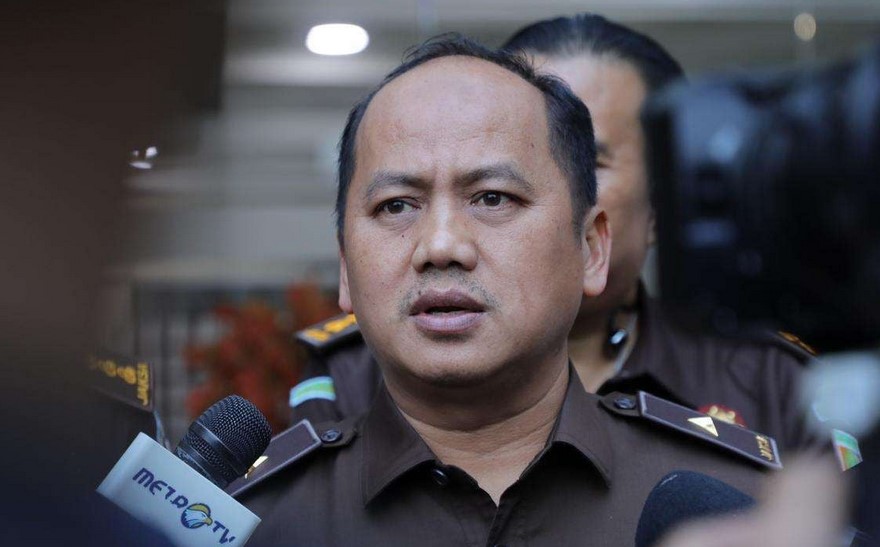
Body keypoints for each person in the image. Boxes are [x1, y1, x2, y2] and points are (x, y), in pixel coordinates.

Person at [233, 35, 780, 546]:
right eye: (396, 205)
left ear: (591, 248)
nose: (441, 246)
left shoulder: (741, 511)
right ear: (345, 268)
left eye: (493, 198)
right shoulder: (251, 523)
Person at [289, 14, 820, 454]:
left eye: (588, 160)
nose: (445, 241)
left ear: (666, 198)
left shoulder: (765, 376)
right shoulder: (359, 366)